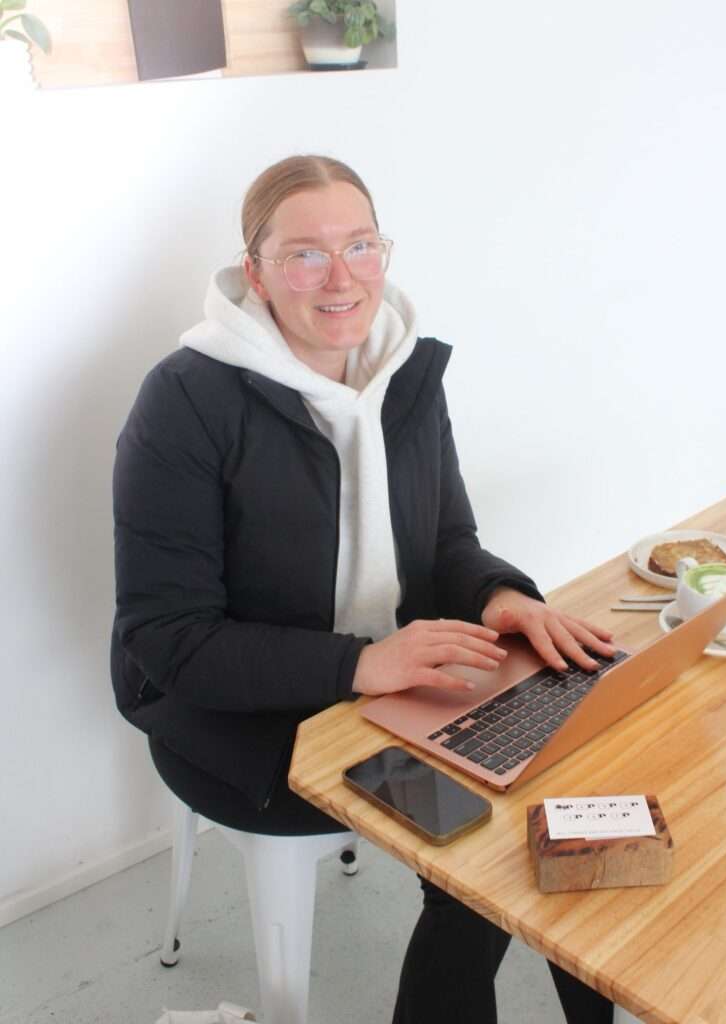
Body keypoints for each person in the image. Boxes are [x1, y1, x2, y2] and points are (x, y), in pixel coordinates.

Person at [111, 154, 615, 1024]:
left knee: (572, 789)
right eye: (305, 254)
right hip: (247, 718)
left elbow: (448, 542)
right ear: (256, 272)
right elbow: (169, 640)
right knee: (482, 850)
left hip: (393, 681)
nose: (342, 278)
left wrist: (500, 596)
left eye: (361, 245)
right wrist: (360, 666)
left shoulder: (405, 374)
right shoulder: (185, 401)